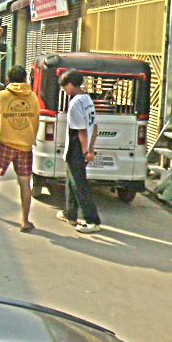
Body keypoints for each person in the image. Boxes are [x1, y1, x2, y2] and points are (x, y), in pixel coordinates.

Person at [0, 64, 39, 232]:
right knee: (25, 182)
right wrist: (31, 139)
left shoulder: (2, 96)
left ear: (8, 79)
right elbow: (35, 122)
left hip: (6, 144)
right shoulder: (32, 97)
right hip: (25, 147)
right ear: (25, 79)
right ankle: (25, 221)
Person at [56, 70, 102, 234]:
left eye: (64, 87)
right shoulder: (87, 99)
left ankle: (92, 220)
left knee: (79, 184)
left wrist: (85, 151)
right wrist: (91, 147)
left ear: (70, 85)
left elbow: (81, 130)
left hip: (77, 148)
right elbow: (94, 126)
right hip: (82, 146)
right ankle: (70, 214)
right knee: (71, 181)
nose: (64, 91)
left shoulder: (75, 103)